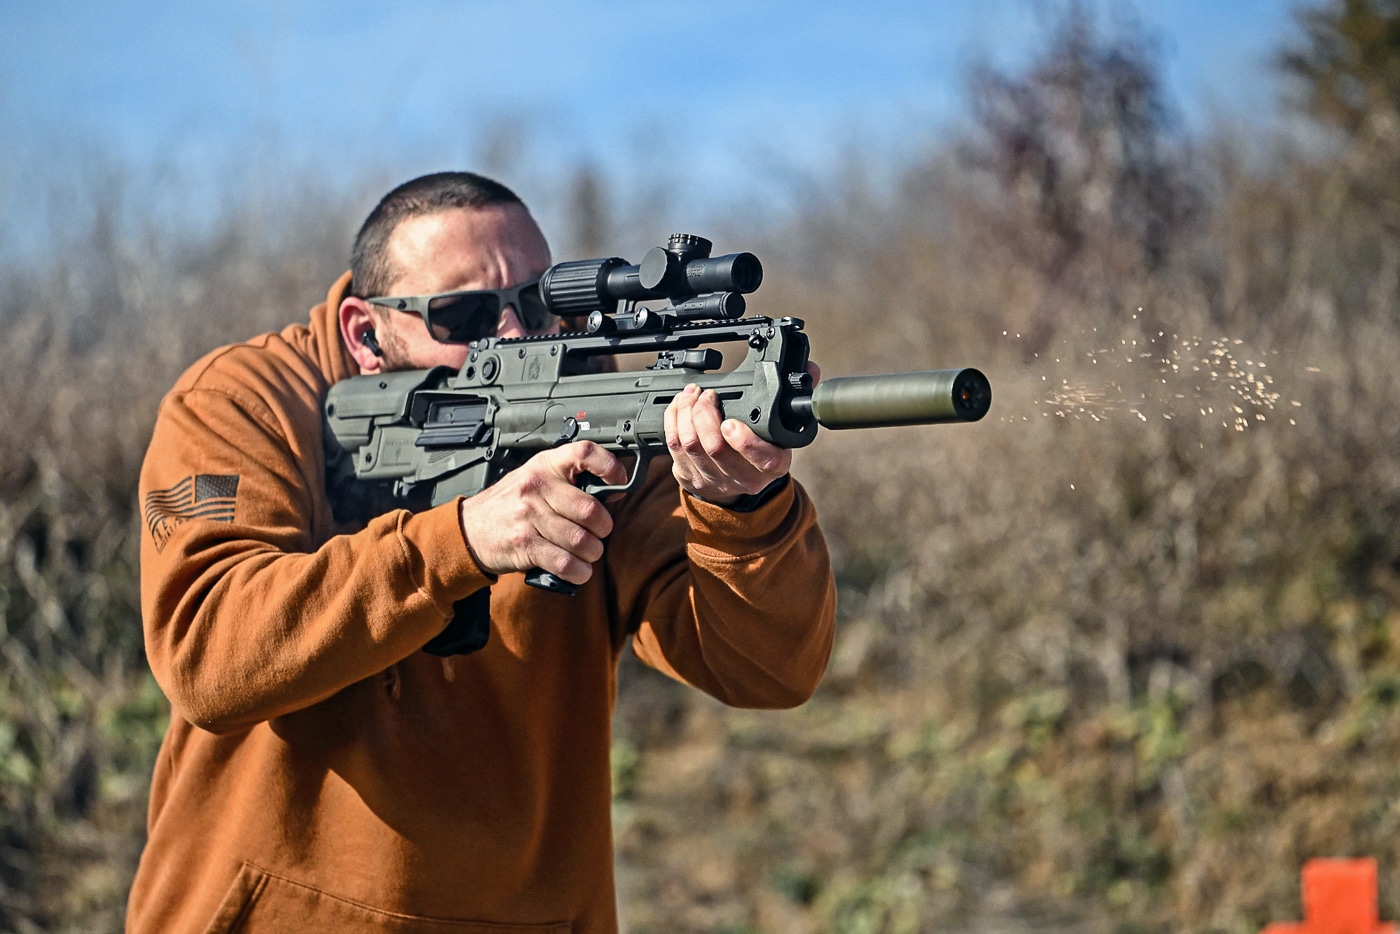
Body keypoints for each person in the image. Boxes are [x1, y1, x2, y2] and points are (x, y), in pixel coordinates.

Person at [126, 171, 836, 933]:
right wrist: (460, 541)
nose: (513, 335)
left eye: (539, 303)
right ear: (366, 332)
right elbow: (210, 655)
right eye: (464, 313)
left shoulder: (603, 411)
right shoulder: (243, 403)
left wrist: (742, 509)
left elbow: (769, 668)